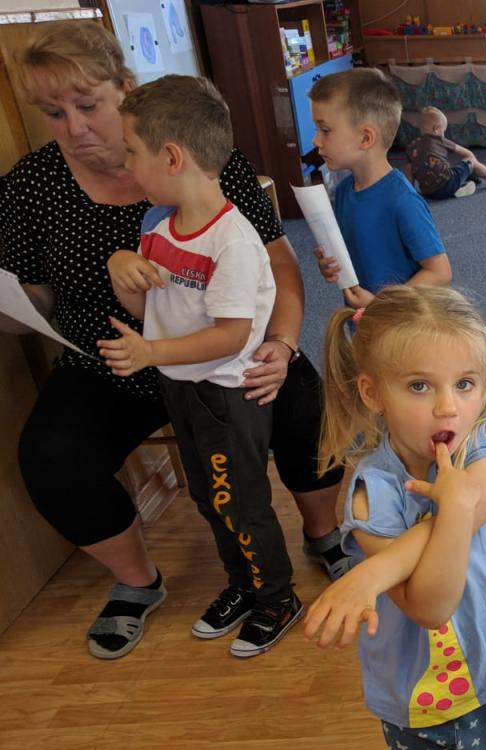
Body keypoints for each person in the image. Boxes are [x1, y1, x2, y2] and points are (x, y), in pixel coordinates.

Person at [0, 21, 350, 661]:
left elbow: (275, 264)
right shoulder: (31, 186)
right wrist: (20, 310)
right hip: (112, 364)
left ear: (125, 89)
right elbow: (31, 302)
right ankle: (140, 581)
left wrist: (282, 343)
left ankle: (319, 538)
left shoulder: (204, 162)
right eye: (53, 113)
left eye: (88, 105)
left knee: (300, 404)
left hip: (221, 355)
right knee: (53, 456)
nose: (74, 127)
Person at [302, 284, 486, 750]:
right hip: (420, 698)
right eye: (418, 386)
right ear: (372, 393)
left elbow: (474, 502)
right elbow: (432, 606)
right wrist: (451, 508)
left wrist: (373, 573)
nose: (448, 408)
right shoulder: (371, 496)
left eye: (465, 383)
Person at [101, 75, 301, 657]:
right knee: (208, 497)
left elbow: (231, 336)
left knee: (239, 500)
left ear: (171, 157)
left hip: (224, 395)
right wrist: (123, 271)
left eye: (131, 152)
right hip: (182, 387)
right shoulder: (159, 228)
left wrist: (150, 354)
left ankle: (277, 596)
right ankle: (244, 585)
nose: (125, 166)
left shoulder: (231, 241)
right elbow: (152, 310)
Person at [309, 68, 451, 309]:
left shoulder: (402, 200)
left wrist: (381, 305)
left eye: (325, 130)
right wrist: (332, 264)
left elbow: (439, 272)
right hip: (364, 320)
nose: (316, 140)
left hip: (401, 323)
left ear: (366, 138)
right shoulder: (344, 191)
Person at [406, 106, 486, 200]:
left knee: (452, 169)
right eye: (443, 131)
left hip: (428, 192)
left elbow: (409, 172)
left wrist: (411, 194)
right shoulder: (439, 140)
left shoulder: (412, 146)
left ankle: (461, 185)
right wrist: (472, 165)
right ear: (436, 129)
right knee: (470, 161)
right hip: (448, 184)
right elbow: (467, 154)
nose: (443, 134)